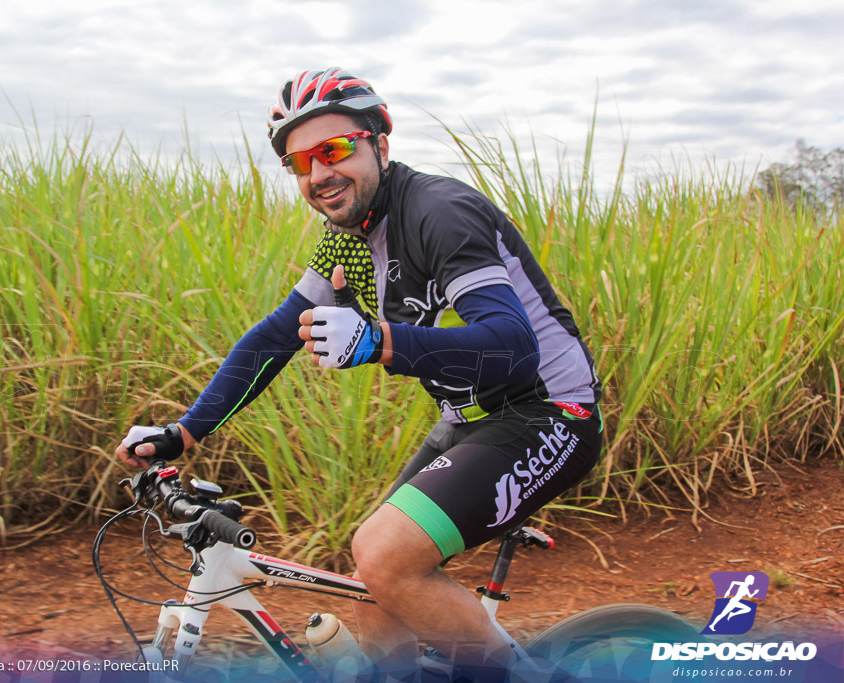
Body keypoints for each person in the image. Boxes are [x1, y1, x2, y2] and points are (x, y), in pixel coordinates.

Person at [116, 67, 603, 679]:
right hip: (469, 420)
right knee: (375, 597)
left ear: (380, 143)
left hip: (551, 412)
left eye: (334, 150)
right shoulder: (351, 234)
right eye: (301, 163)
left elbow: (513, 347)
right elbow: (276, 337)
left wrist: (379, 340)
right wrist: (183, 433)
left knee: (385, 557)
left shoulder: (439, 211)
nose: (319, 174)